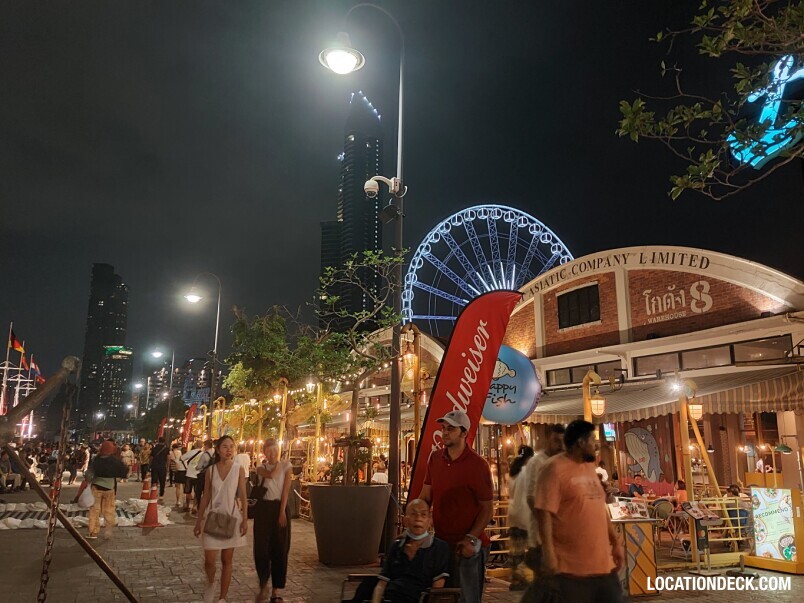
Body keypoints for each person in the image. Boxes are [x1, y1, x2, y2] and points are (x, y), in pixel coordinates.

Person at [535, 420, 625, 602]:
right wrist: (549, 555)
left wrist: (615, 542)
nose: (597, 445)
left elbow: (599, 508)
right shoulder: (553, 469)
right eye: (593, 439)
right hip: (570, 570)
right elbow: (544, 513)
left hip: (603, 566)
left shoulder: (589, 467)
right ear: (581, 442)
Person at [419, 410, 493, 603]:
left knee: (467, 598)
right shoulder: (435, 459)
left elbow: (487, 509)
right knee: (442, 596)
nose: (444, 432)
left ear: (463, 433)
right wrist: (415, 519)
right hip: (442, 543)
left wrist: (471, 538)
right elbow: (426, 496)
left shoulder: (478, 465)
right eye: (443, 428)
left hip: (469, 545)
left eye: (451, 429)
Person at [349, 498, 451, 603]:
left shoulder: (439, 547)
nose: (418, 518)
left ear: (430, 521)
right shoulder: (397, 546)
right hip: (391, 596)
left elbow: (438, 588)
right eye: (413, 514)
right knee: (368, 585)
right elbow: (383, 582)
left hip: (418, 597)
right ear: (405, 520)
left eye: (423, 515)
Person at [194, 435, 248, 603]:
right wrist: (198, 520)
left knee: (227, 559)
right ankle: (210, 583)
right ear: (218, 449)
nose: (229, 450)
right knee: (209, 560)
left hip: (231, 517)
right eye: (225, 446)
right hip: (213, 517)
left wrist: (245, 519)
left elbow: (243, 496)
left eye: (231, 446)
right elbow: (205, 496)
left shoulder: (238, 469)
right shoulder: (210, 470)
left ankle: (222, 597)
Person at [253, 439, 293, 603]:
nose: (272, 453)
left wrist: (282, 511)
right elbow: (270, 475)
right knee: (261, 549)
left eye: (274, 449)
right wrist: (277, 462)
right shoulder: (261, 467)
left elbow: (285, 490)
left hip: (279, 508)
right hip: (263, 509)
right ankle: (263, 583)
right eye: (268, 450)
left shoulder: (287, 466)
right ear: (264, 452)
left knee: (280, 549)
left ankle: (275, 590)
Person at [525, 424, 566, 572]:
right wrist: (546, 523)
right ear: (548, 439)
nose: (560, 445)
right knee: (545, 578)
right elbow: (531, 498)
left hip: (562, 532)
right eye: (556, 440)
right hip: (541, 534)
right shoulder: (537, 462)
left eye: (563, 441)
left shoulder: (564, 461)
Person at [86, 441, 128, 539]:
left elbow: (89, 473)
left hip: (96, 487)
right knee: (109, 510)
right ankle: (108, 531)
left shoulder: (96, 459)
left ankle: (93, 532)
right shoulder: (115, 461)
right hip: (110, 488)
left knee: (94, 511)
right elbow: (124, 471)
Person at [506, 445, 534, 590]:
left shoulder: (512, 473)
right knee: (532, 548)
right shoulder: (526, 472)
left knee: (516, 549)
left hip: (514, 515)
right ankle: (526, 578)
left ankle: (516, 580)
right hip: (526, 515)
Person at [181, 441, 206, 513]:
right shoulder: (203, 454)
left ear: (195, 445)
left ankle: (188, 506)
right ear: (201, 446)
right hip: (198, 476)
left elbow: (182, 458)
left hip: (189, 475)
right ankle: (194, 507)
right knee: (197, 492)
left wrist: (186, 466)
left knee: (188, 492)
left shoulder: (190, 452)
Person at [195, 439, 216, 512]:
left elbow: (199, 466)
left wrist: (196, 468)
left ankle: (200, 507)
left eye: (204, 446)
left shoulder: (204, 455)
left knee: (199, 491)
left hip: (204, 475)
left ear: (206, 446)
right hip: (214, 475)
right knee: (209, 492)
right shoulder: (216, 453)